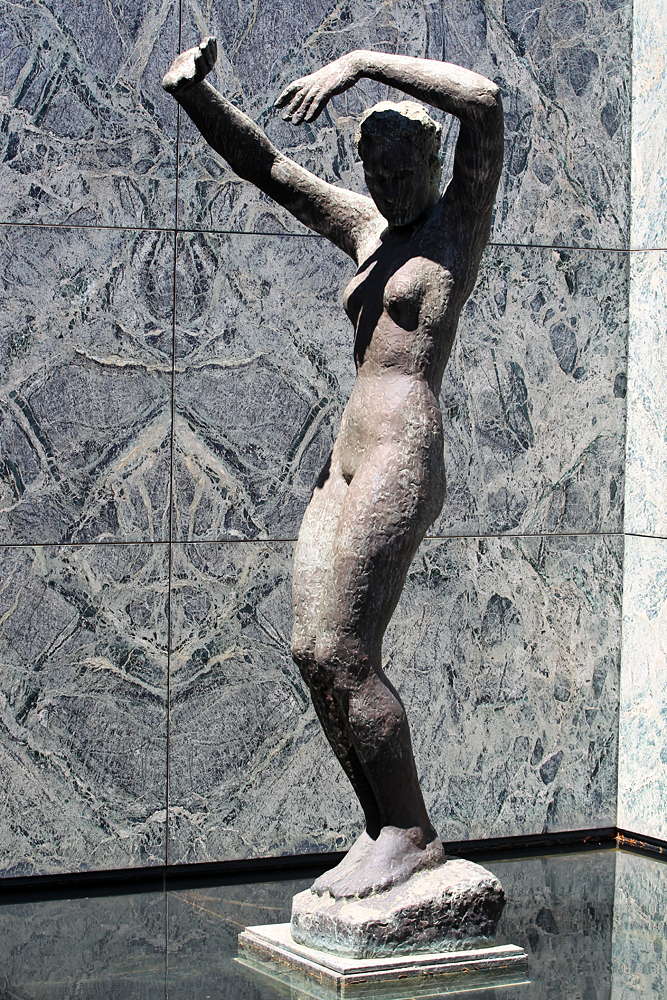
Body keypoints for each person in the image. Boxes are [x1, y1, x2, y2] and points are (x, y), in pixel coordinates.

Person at [163, 38, 504, 900]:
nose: (386, 186)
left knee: (348, 648)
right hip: (343, 458)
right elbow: (270, 169)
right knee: (312, 650)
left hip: (400, 449)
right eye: (374, 171)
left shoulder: (457, 224)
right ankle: (379, 827)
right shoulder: (365, 228)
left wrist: (358, 62)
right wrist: (195, 97)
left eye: (402, 170)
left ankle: (411, 833)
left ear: (434, 164)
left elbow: (483, 100)